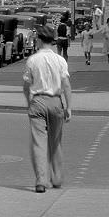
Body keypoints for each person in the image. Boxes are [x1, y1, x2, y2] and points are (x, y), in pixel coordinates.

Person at [22, 22, 72, 193]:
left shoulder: (33, 60)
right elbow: (66, 85)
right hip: (56, 102)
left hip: (38, 102)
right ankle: (57, 178)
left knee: (39, 143)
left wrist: (29, 102)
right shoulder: (60, 60)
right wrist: (69, 107)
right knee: (56, 142)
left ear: (40, 40)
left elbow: (26, 86)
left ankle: (41, 181)